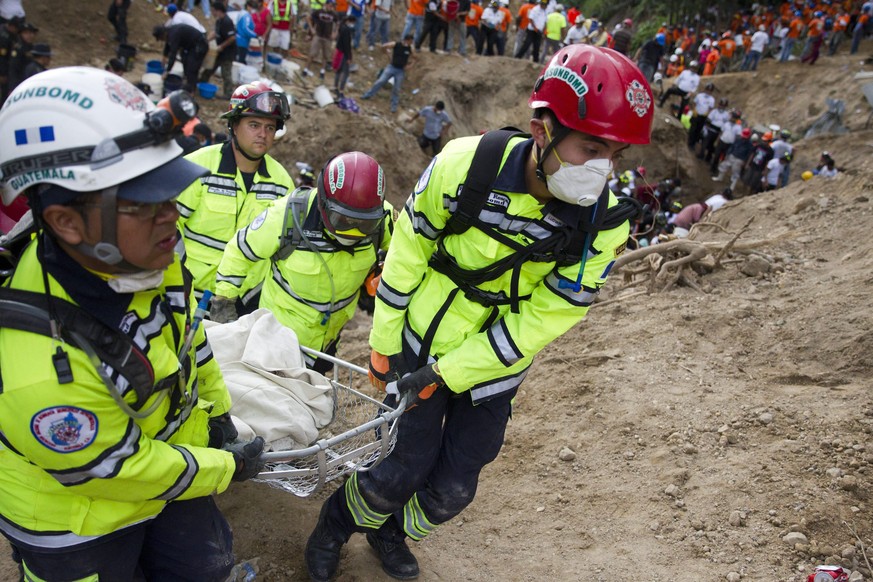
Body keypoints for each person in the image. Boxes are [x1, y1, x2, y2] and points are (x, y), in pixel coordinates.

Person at [303, 43, 653, 582]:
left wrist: (449, 374)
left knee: (453, 489)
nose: (602, 170)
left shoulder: (603, 224)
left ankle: (389, 534)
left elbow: (549, 315)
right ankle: (334, 526)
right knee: (400, 468)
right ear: (543, 131)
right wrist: (383, 344)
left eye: (614, 156)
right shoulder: (466, 165)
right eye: (591, 149)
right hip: (422, 335)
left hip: (494, 365)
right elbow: (409, 252)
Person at [0, 66, 265, 582]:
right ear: (67, 221)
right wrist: (225, 467)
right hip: (77, 524)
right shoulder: (40, 370)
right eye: (146, 203)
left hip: (166, 467)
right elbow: (117, 470)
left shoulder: (149, 250)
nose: (171, 215)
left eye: (169, 195)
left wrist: (218, 415)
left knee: (204, 567)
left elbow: (189, 342)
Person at [213, 152, 395, 372]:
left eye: (364, 225)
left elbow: (411, 252)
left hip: (327, 340)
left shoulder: (383, 219)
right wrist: (224, 300)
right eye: (343, 220)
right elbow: (240, 250)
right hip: (275, 338)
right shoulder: (289, 216)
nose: (353, 231)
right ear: (324, 204)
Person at [176, 82, 294, 310]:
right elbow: (168, 228)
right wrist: (178, 282)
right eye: (254, 125)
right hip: (188, 296)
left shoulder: (281, 183)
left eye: (270, 128)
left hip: (243, 304)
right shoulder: (198, 167)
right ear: (233, 126)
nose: (263, 134)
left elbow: (283, 249)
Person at [360, 34, 416, 113]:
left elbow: (415, 57)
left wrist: (410, 65)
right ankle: (368, 95)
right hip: (392, 67)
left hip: (400, 70)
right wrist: (388, 55)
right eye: (411, 41)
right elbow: (384, 46)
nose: (411, 42)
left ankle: (394, 105)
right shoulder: (396, 44)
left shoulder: (410, 48)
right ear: (407, 40)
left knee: (397, 88)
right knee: (381, 81)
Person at [153, 21, 209, 93]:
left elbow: (173, 54)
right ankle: (188, 85)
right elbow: (167, 45)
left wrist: (167, 71)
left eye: (160, 39)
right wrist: (164, 56)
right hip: (190, 47)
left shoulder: (174, 34)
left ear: (163, 34)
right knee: (185, 61)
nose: (162, 40)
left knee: (191, 68)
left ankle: (191, 91)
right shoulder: (169, 32)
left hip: (200, 46)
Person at [302, 0, 337, 78]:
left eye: (333, 6)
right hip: (318, 35)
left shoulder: (334, 14)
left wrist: (335, 33)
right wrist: (311, 29)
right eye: (331, 5)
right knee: (312, 53)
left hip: (327, 37)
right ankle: (306, 69)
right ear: (327, 4)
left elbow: (338, 23)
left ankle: (322, 71)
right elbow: (308, 18)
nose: (331, 7)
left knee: (325, 55)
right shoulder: (319, 12)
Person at [334, 14, 354, 98]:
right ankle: (341, 90)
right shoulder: (346, 30)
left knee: (338, 71)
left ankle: (335, 87)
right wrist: (349, 57)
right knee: (345, 73)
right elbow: (347, 45)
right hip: (344, 54)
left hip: (339, 51)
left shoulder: (341, 28)